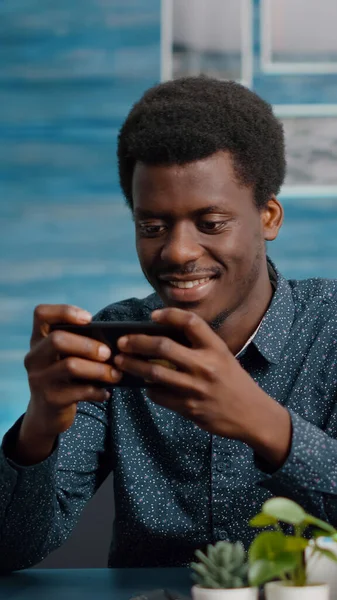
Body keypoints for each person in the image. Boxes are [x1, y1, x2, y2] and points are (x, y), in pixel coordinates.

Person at [1, 76, 337, 573]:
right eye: (152, 227)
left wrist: (265, 425)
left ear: (268, 216)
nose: (178, 252)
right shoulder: (118, 337)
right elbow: (11, 550)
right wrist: (38, 428)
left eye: (212, 223)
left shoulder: (330, 330)